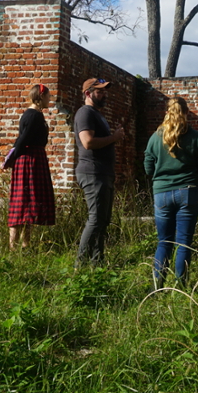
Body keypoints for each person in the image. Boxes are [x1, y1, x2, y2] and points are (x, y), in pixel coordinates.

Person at [144, 97, 198, 289]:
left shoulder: (155, 137)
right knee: (183, 242)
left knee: (163, 241)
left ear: (167, 112)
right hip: (188, 192)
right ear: (187, 113)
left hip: (162, 193)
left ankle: (157, 287)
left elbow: (148, 168)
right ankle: (180, 287)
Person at [74, 78, 126, 268]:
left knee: (103, 220)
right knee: (96, 219)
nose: (104, 95)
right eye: (100, 91)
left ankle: (97, 264)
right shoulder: (85, 113)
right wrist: (114, 137)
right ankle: (80, 266)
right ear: (88, 93)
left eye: (105, 91)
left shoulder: (96, 114)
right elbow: (88, 142)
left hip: (103, 172)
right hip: (92, 172)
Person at [5, 83, 56, 250]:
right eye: (48, 96)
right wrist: (12, 158)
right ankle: (13, 247)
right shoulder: (33, 115)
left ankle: (25, 245)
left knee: (29, 202)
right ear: (41, 97)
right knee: (22, 202)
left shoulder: (35, 114)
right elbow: (22, 139)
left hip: (34, 159)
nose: (50, 99)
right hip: (29, 161)